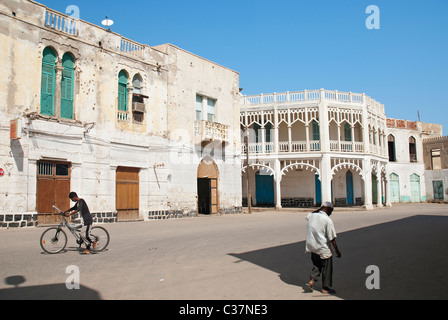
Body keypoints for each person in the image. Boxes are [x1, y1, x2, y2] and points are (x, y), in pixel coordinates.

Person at [304, 201, 341, 294]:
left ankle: (311, 281)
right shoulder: (327, 220)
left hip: (312, 246)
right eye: (331, 211)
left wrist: (320, 209)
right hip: (323, 248)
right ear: (328, 209)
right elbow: (332, 238)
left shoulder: (312, 216)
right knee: (327, 268)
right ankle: (325, 288)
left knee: (317, 265)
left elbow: (309, 214)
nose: (331, 213)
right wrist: (337, 251)